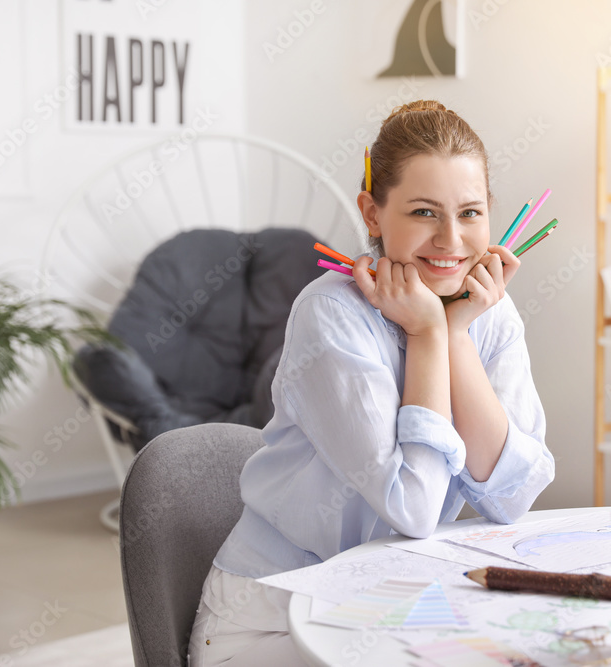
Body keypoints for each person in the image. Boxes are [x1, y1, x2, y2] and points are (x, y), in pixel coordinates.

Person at [187, 100, 555, 666]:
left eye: (471, 213)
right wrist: (430, 334)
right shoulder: (330, 314)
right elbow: (413, 509)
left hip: (391, 600)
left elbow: (511, 497)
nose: (452, 241)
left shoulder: (490, 314)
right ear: (373, 214)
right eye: (425, 212)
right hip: (278, 613)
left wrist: (456, 338)